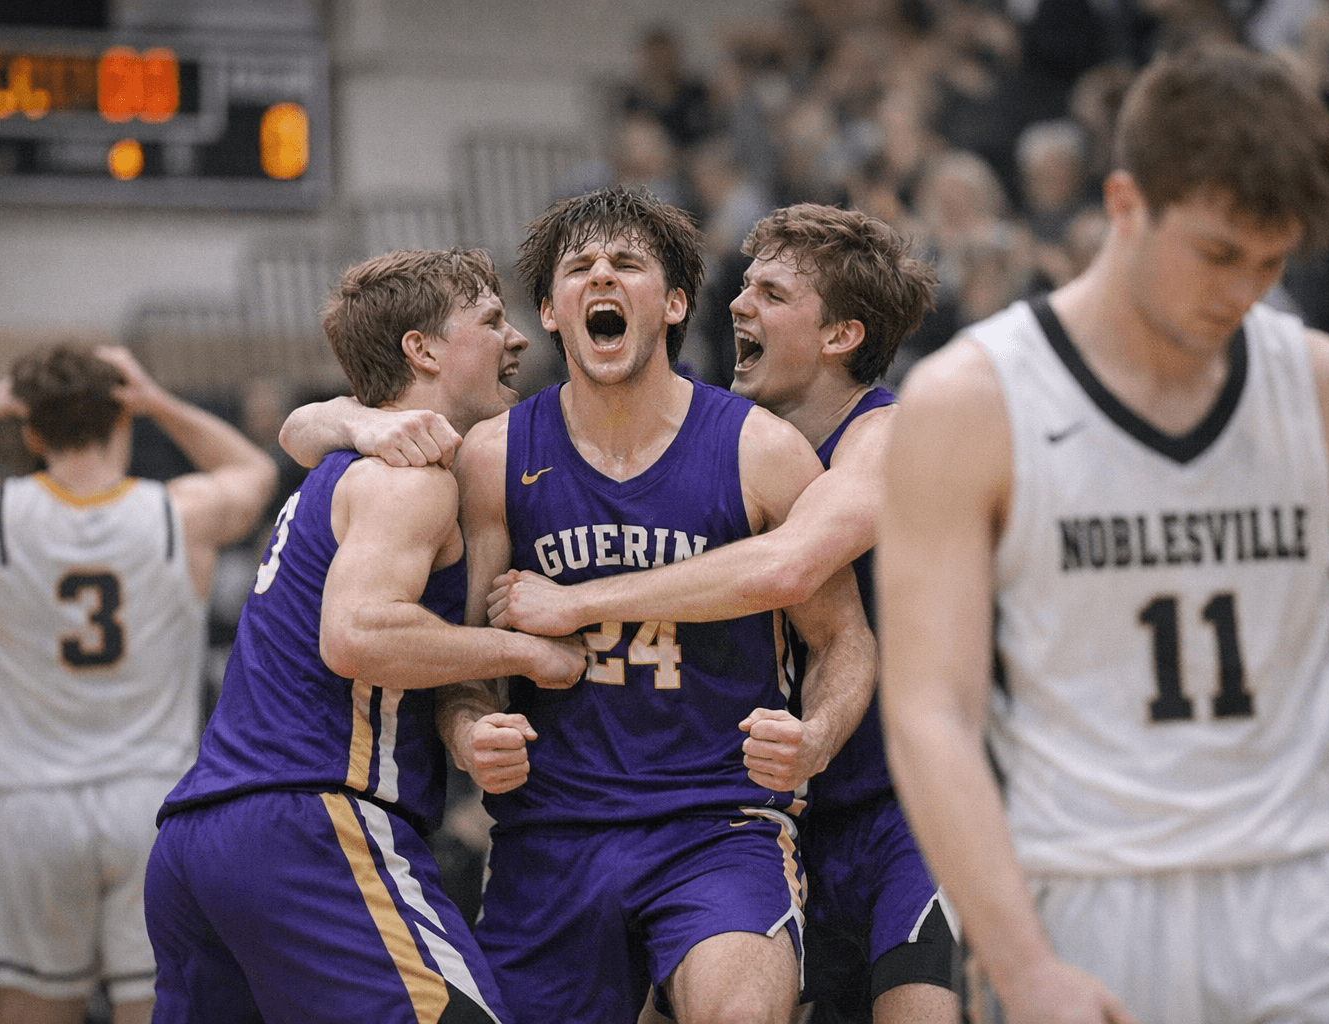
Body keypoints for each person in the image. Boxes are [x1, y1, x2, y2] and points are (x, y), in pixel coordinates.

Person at [879, 40, 1329, 1024]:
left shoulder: (1319, 383)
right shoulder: (971, 399)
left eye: (1272, 261)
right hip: (1101, 896)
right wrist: (1022, 967)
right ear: (1124, 204)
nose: (1243, 289)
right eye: (1217, 253)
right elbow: (931, 712)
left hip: (1317, 886)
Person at [281, 187, 877, 1024]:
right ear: (553, 314)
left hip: (718, 826)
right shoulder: (493, 457)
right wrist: (467, 731)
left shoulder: (760, 449)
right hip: (548, 835)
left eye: (627, 263)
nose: (602, 276)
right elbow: (463, 654)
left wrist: (814, 738)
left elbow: (845, 639)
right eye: (579, 268)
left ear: (672, 304)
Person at [485, 202, 955, 1024]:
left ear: (840, 335)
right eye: (743, 287)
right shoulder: (760, 443)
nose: (738, 306)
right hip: (789, 802)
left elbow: (787, 567)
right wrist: (324, 417)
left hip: (905, 806)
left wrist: (577, 603)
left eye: (770, 294)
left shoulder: (882, 435)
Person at [144, 248, 588, 1024]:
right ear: (422, 349)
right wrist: (529, 649)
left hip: (198, 841)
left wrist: (340, 415)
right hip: (310, 820)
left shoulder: (349, 455)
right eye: (490, 321)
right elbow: (356, 637)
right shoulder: (409, 477)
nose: (516, 338)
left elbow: (302, 424)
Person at [0, 344, 277, 1024]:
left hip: (29, 809)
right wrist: (157, 399)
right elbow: (256, 469)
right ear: (122, 420)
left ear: (30, 430)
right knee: (157, 1006)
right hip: (150, 804)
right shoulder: (180, 512)